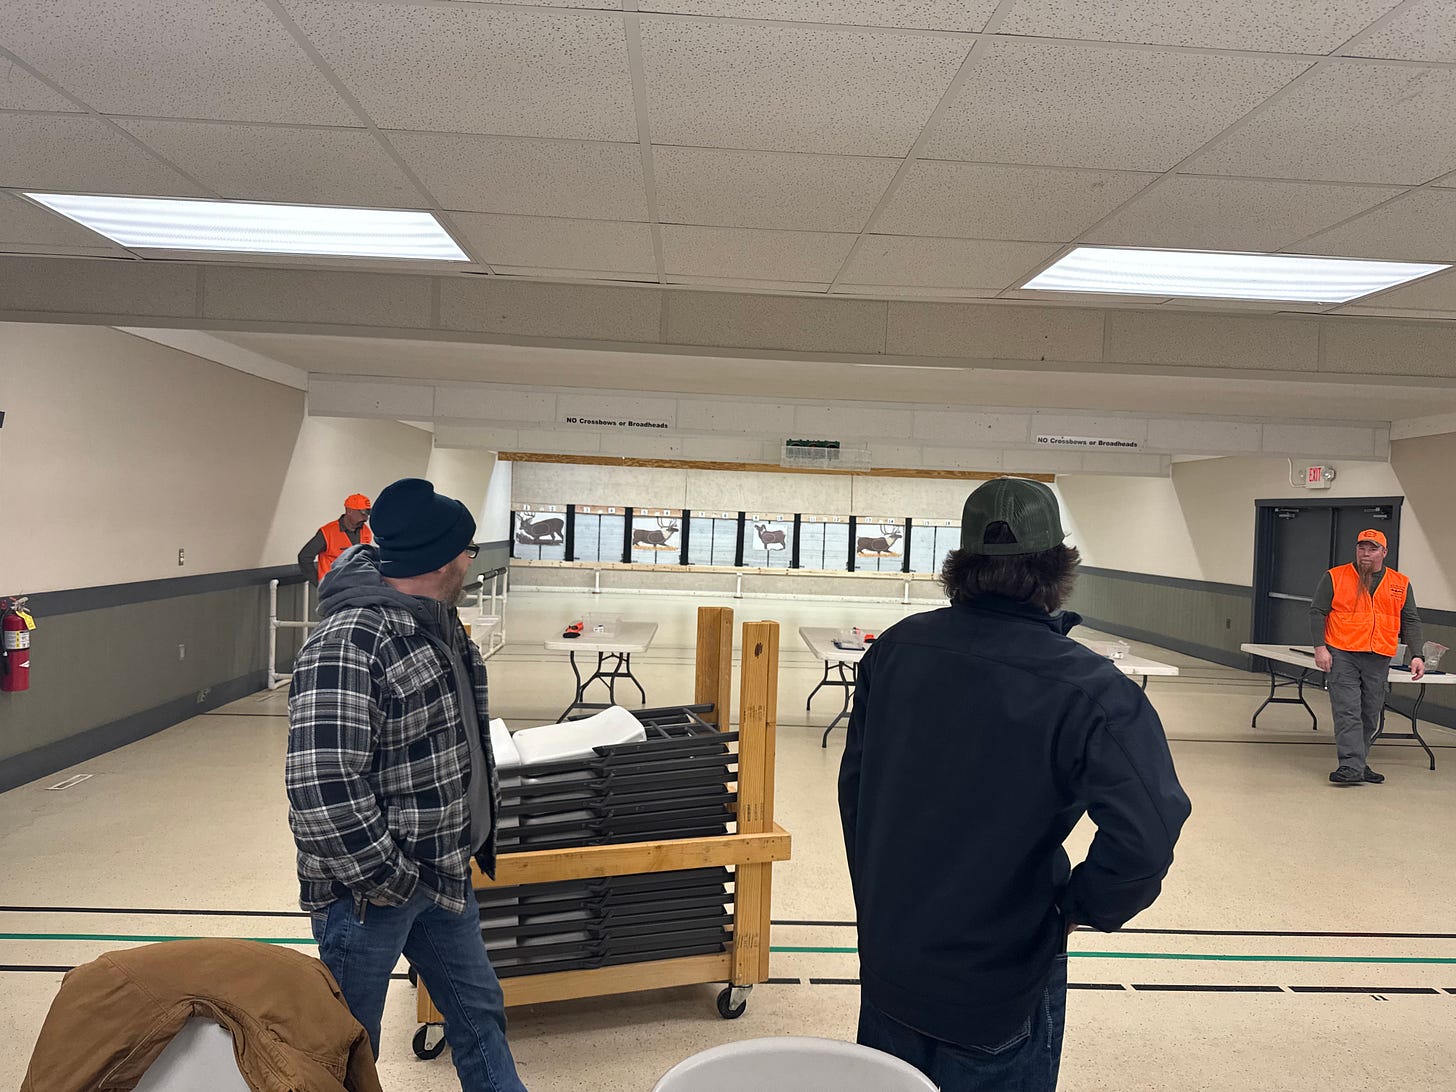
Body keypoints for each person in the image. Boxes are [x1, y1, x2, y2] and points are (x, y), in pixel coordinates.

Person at [838, 477, 1191, 1091]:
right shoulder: (1091, 689)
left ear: (960, 565)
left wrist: (880, 893)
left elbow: (856, 794)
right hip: (1000, 977)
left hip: (892, 958)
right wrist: (1080, 907)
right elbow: (1147, 834)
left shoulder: (895, 651)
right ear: (1060, 569)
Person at [286, 478, 525, 1091]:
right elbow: (322, 786)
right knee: (345, 1048)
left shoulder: (440, 624)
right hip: (370, 895)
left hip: (442, 874)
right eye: (468, 550)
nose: (474, 560)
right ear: (441, 559)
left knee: (479, 1019)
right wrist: (390, 879)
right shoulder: (349, 642)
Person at [1309, 528, 1425, 787]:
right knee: (1348, 709)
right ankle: (1350, 765)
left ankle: (1358, 762)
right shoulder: (1335, 577)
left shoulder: (1400, 583)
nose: (1365, 553)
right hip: (1342, 652)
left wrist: (1417, 654)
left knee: (1370, 712)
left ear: (1384, 552)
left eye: (1372, 549)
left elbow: (1411, 620)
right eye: (1361, 547)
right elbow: (1317, 612)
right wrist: (1320, 648)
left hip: (1380, 655)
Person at [298, 494, 373, 587]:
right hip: (333, 590)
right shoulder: (327, 532)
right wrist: (319, 584)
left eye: (367, 514)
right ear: (349, 511)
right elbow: (304, 557)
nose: (366, 519)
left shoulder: (366, 532)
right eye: (362, 514)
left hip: (356, 588)